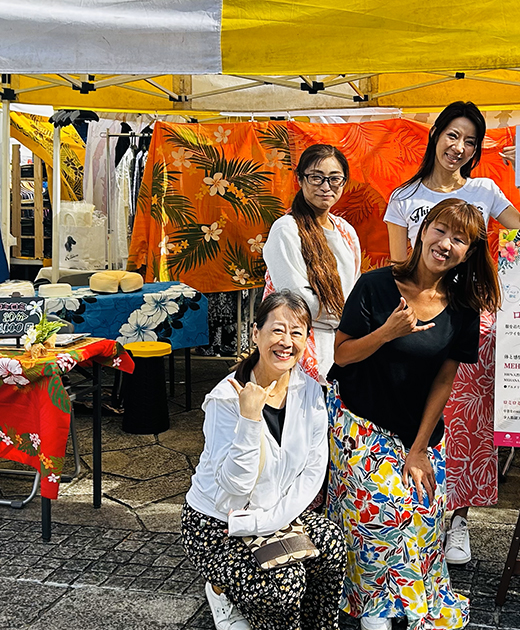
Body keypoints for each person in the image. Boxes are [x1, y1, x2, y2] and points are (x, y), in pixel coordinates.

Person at [382, 100, 520, 565]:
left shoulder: (486, 189)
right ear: (436, 135)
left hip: (470, 313)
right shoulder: (403, 198)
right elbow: (396, 265)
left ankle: (459, 520)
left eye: (470, 141)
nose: (460, 147)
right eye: (453, 135)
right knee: (416, 410)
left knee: (467, 420)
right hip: (418, 316)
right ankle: (417, 507)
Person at [329, 198, 495, 629]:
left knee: (423, 508)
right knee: (380, 508)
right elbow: (342, 356)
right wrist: (387, 332)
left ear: (470, 252)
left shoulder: (462, 306)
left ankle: (406, 597)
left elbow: (445, 379)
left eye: (460, 239)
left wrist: (420, 447)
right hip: (360, 417)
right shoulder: (375, 285)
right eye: (440, 230)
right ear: (423, 231)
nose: (446, 243)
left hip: (416, 429)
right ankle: (374, 609)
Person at [182, 290, 345, 630]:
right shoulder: (226, 398)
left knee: (330, 543)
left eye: (297, 332)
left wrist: (267, 523)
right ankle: (223, 591)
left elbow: (313, 472)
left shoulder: (311, 391)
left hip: (269, 517)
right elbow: (236, 486)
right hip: (218, 525)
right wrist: (250, 419)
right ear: (256, 333)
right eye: (277, 330)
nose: (287, 341)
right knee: (284, 583)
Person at [264, 144, 361, 383]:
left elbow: (355, 287)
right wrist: (349, 319)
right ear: (300, 179)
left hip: (342, 342)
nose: (326, 187)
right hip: (299, 344)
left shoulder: (345, 231)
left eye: (334, 179)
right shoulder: (286, 229)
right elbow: (296, 297)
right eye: (316, 178)